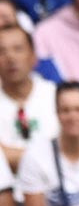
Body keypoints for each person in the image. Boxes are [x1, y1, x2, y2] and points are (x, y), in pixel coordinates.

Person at [0, 24, 58, 172]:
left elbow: (70, 149)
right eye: (2, 51)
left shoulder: (55, 95)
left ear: (33, 57)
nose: (10, 58)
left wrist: (13, 156)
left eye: (18, 49)